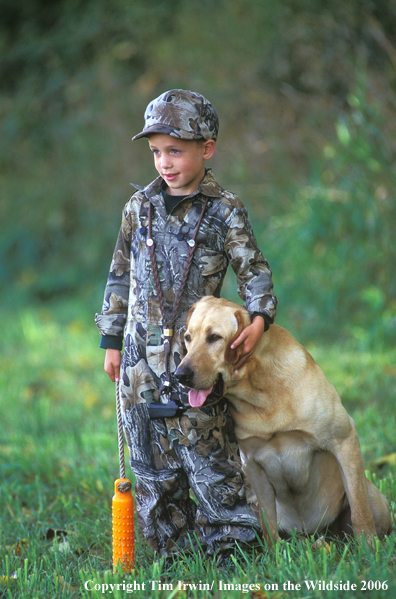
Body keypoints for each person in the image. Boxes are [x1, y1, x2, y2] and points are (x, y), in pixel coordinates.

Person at [95, 89, 277, 560]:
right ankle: (168, 543)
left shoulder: (224, 209)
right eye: (156, 152)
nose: (164, 163)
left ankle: (230, 542)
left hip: (197, 355)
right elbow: (120, 274)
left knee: (209, 455)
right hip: (141, 358)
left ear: (206, 148)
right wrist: (112, 338)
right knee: (150, 461)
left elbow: (253, 269)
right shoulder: (138, 208)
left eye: (175, 150)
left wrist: (258, 319)